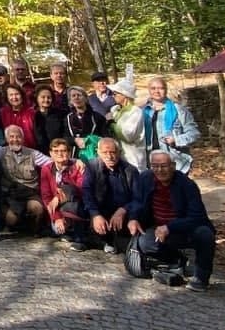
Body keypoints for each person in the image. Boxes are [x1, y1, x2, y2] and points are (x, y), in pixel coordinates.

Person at [127, 150, 216, 292]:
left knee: (205, 234)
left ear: (173, 166)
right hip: (157, 228)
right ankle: (177, 261)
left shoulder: (187, 185)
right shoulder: (145, 178)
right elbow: (137, 201)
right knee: (144, 242)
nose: (159, 170)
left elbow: (197, 216)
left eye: (164, 166)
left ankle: (201, 277)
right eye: (155, 166)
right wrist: (133, 218)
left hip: (184, 228)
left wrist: (170, 227)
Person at [81, 138, 139, 254]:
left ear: (119, 152)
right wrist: (95, 214)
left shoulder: (130, 170)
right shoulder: (92, 167)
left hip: (122, 213)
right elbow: (87, 192)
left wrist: (123, 210)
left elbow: (138, 198)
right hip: (101, 211)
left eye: (112, 152)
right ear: (98, 152)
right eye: (105, 153)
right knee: (77, 208)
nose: (109, 156)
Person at [0, 125, 48, 235]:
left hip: (30, 193)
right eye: (11, 137)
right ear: (6, 139)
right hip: (10, 194)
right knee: (11, 219)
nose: (15, 140)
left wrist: (75, 162)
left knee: (37, 209)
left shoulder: (33, 153)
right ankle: (12, 224)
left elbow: (52, 162)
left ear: (23, 139)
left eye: (18, 137)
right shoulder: (0, 152)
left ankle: (33, 230)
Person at [142, 76, 200, 173]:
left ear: (166, 90)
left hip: (176, 163)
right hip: (151, 164)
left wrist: (176, 140)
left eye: (161, 88)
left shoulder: (179, 110)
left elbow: (194, 133)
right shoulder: (143, 111)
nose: (157, 91)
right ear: (149, 90)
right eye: (153, 88)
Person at [40, 138, 88, 251]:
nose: (60, 154)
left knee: (72, 204)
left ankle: (79, 239)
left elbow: (80, 189)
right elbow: (46, 197)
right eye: (56, 151)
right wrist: (57, 218)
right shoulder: (46, 169)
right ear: (50, 153)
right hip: (57, 209)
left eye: (64, 150)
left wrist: (59, 196)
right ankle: (68, 231)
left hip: (78, 205)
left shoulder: (77, 166)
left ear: (69, 152)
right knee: (57, 229)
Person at [64, 87, 109, 158]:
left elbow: (106, 137)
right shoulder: (68, 118)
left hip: (95, 155)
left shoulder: (97, 117)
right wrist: (74, 140)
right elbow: (65, 137)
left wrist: (92, 139)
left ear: (85, 98)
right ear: (70, 101)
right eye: (73, 96)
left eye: (79, 95)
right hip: (76, 156)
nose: (76, 98)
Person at [33, 85, 67, 154]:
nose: (46, 100)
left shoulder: (60, 114)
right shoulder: (33, 115)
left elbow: (65, 133)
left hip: (59, 150)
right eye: (43, 97)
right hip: (41, 153)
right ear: (37, 98)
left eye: (49, 97)